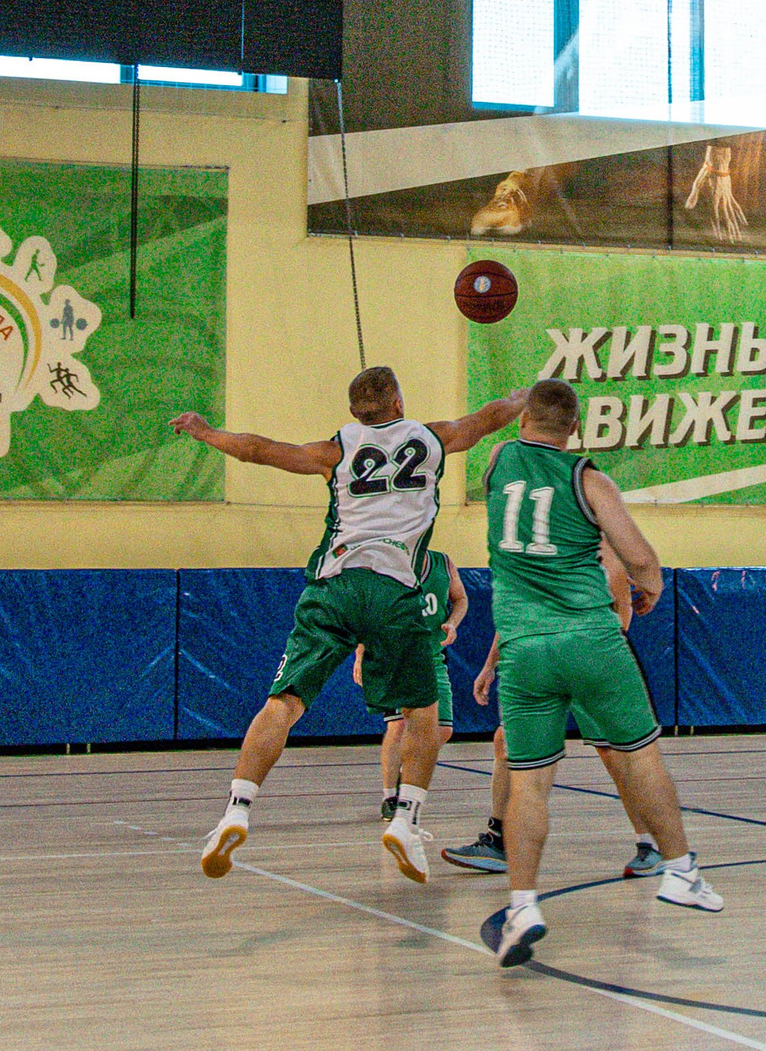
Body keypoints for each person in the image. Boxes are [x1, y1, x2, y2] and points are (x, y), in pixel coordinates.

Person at [171, 369, 525, 884]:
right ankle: (405, 820)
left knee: (283, 703)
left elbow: (259, 450)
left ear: (355, 412)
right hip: (393, 589)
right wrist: (523, 398)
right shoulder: (431, 438)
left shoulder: (336, 450)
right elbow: (486, 419)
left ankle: (236, 811)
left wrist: (206, 432)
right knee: (423, 712)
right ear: (398, 400)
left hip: (333, 585)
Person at [478, 380, 721, 968]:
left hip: (523, 648)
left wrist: (513, 407)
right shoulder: (589, 480)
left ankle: (522, 906)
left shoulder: (498, 460)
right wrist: (651, 585)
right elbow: (638, 557)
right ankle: (680, 871)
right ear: (575, 429)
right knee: (640, 758)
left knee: (529, 783)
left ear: (524, 420)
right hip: (590, 640)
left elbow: (499, 431)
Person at [442, 538, 663, 878]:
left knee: (616, 756)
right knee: (506, 741)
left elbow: (623, 608)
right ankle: (498, 842)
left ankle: (651, 844)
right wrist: (489, 666)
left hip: (593, 654)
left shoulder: (601, 551)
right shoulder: (529, 551)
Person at [359, 551, 467, 818]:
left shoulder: (443, 562)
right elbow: (367, 610)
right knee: (398, 725)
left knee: (443, 730)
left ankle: (406, 770)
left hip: (431, 657)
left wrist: (452, 623)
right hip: (394, 657)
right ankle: (390, 796)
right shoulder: (386, 562)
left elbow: (461, 599)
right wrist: (360, 654)